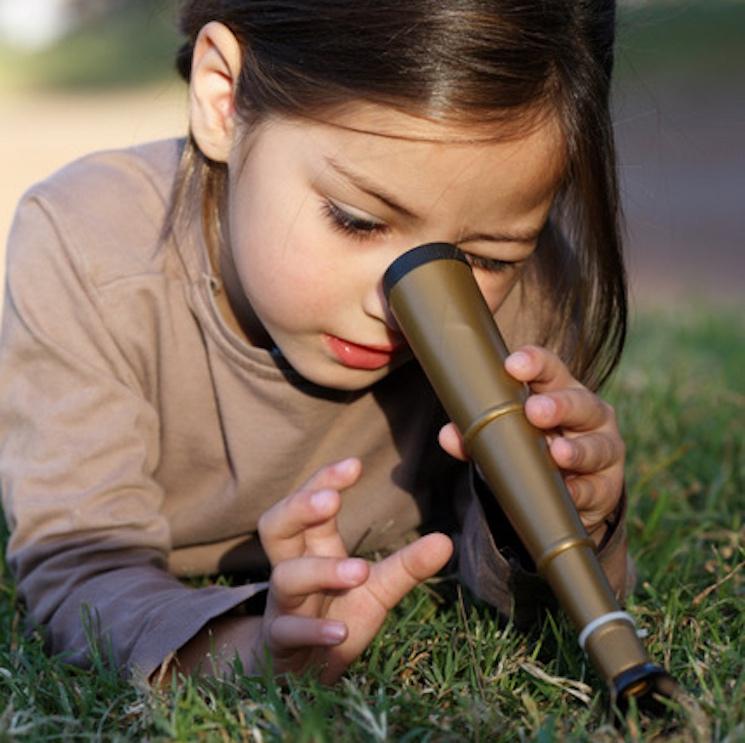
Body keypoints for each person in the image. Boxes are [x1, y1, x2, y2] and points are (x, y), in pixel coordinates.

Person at [0, 0, 632, 686]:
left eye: (484, 258)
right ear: (225, 100)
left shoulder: (532, 280)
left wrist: (555, 518)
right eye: (358, 221)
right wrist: (242, 649)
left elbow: (507, 588)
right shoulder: (87, 246)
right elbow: (82, 563)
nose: (403, 311)